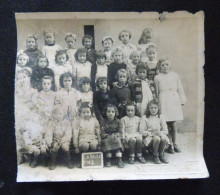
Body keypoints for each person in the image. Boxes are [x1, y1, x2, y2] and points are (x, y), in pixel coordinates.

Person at [154, 57, 187, 153]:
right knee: (165, 123)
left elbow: (180, 88)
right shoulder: (157, 77)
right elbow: (156, 92)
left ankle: (175, 143)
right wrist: (157, 104)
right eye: (162, 65)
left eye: (166, 64)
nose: (165, 67)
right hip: (163, 100)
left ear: (170, 65)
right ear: (160, 67)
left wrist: (182, 100)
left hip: (173, 99)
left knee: (173, 123)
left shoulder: (175, 76)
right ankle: (169, 145)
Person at [140, 99, 169, 164]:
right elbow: (141, 131)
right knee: (157, 138)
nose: (153, 110)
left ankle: (161, 154)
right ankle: (155, 155)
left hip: (159, 134)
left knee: (164, 138)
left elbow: (165, 130)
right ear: (148, 109)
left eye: (155, 108)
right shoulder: (145, 117)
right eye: (151, 108)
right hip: (148, 137)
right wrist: (151, 133)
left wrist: (159, 133)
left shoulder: (161, 117)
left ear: (158, 108)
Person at [45, 105, 74, 170]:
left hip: (64, 140)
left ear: (63, 114)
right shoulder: (51, 123)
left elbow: (68, 133)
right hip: (55, 140)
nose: (58, 116)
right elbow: (49, 133)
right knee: (55, 146)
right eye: (56, 114)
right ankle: (52, 162)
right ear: (53, 115)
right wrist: (49, 142)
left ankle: (69, 161)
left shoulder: (67, 122)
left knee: (65, 147)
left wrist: (63, 140)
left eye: (60, 114)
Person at [101, 104, 124, 168]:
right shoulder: (103, 122)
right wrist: (107, 135)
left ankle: (119, 158)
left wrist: (116, 135)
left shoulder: (118, 122)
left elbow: (120, 132)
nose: (110, 114)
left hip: (115, 137)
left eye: (113, 112)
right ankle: (108, 159)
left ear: (115, 113)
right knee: (106, 141)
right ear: (105, 112)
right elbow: (102, 132)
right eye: (108, 112)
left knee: (117, 140)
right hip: (107, 137)